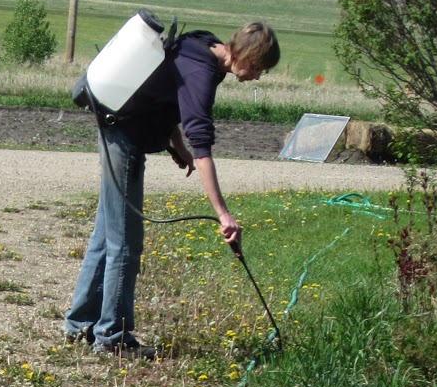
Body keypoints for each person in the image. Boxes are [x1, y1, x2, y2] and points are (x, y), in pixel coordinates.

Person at [64, 20, 280, 355]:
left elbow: (165, 96)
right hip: (124, 136)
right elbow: (204, 147)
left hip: (117, 128)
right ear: (248, 58)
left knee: (107, 234)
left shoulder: (202, 44)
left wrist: (175, 144)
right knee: (125, 242)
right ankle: (112, 338)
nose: (257, 77)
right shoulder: (204, 73)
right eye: (258, 69)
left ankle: (79, 325)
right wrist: (223, 214)